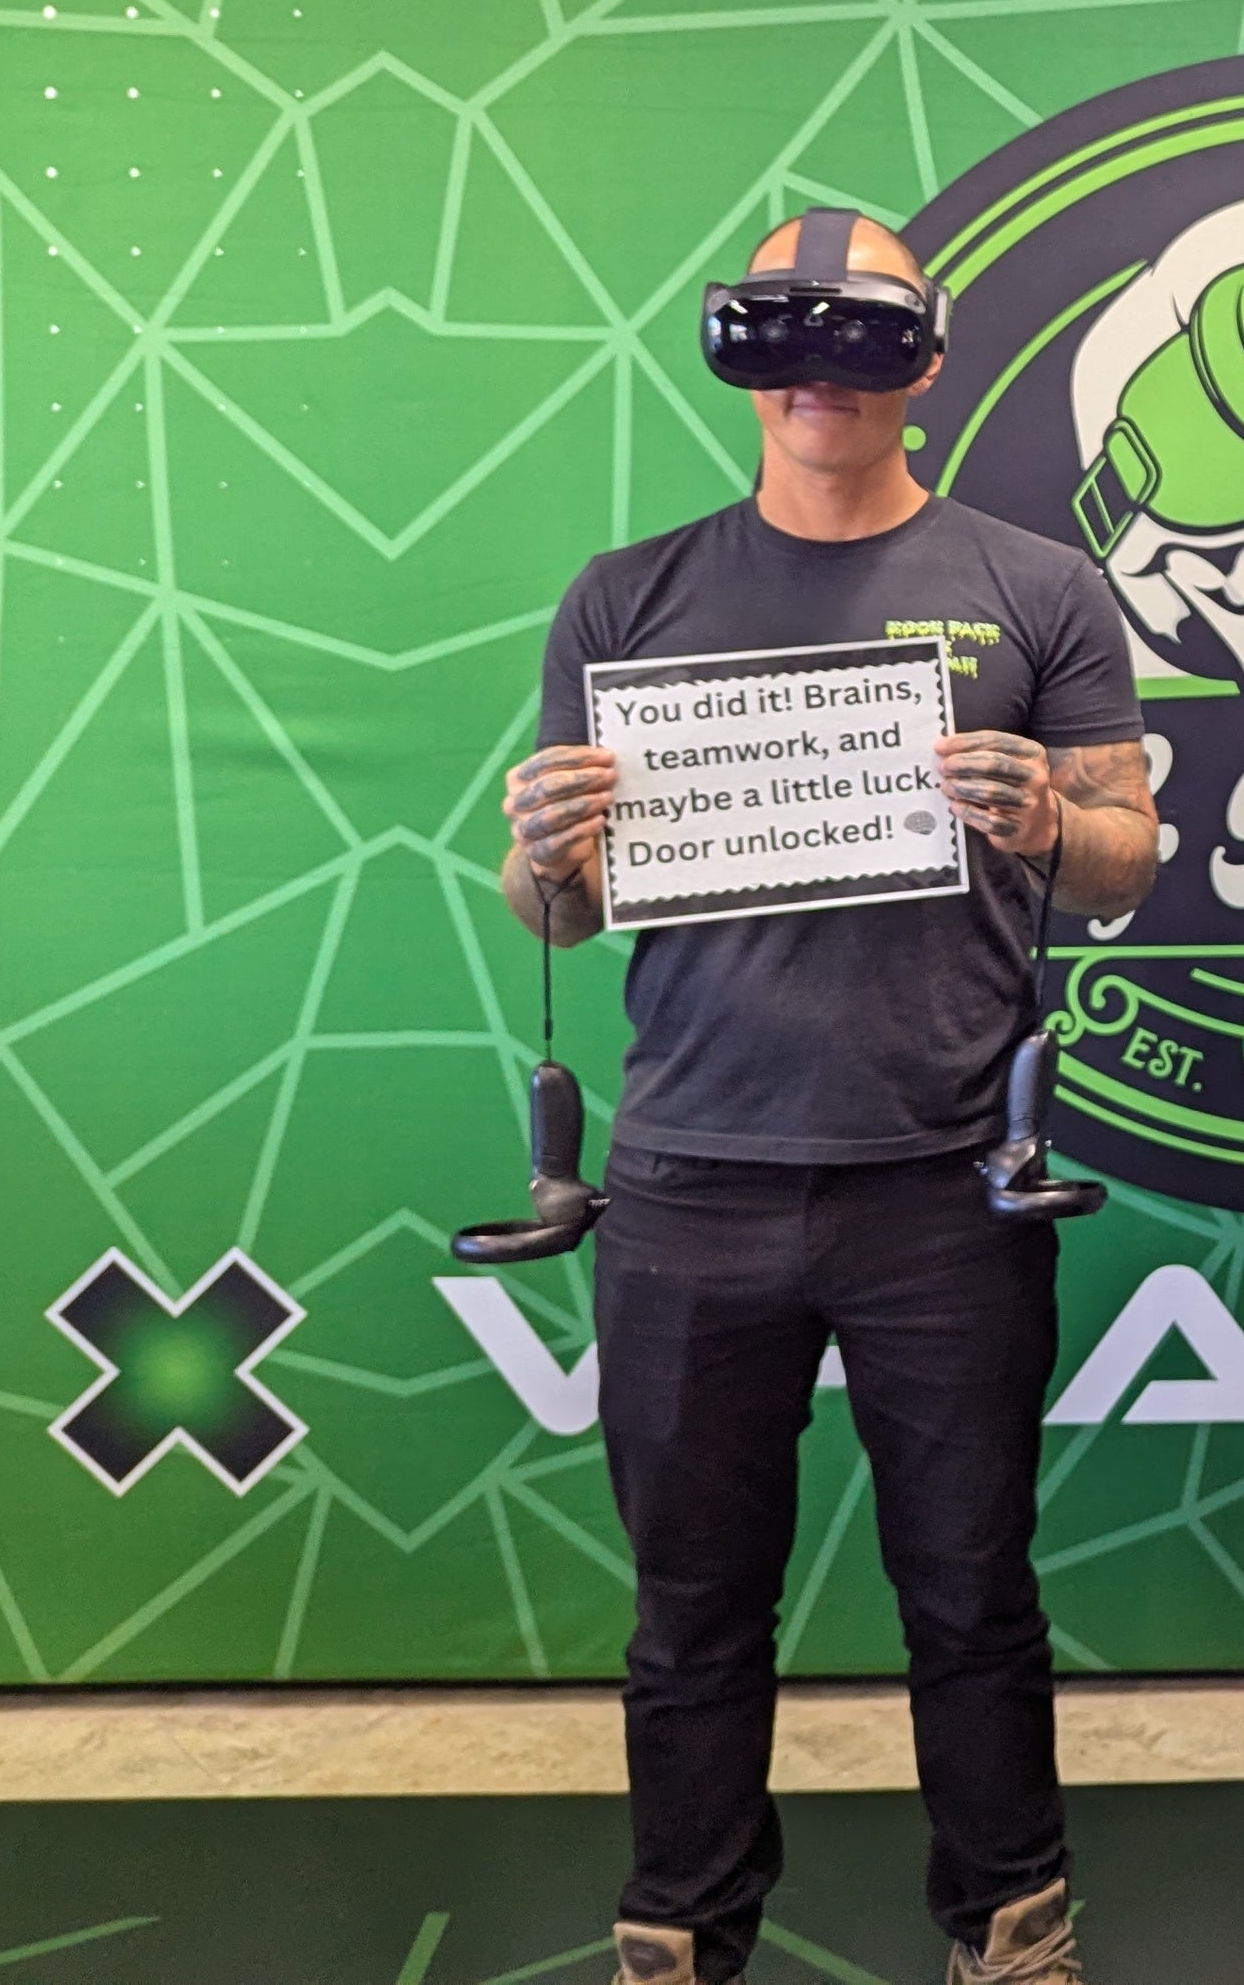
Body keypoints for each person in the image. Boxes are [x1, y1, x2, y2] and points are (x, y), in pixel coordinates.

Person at [497, 211, 1161, 1985]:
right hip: (689, 1177)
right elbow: (561, 907)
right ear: (742, 364)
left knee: (973, 1594)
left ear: (922, 365)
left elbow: (1127, 855)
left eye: (859, 341)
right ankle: (678, 1932)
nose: (818, 377)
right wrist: (537, 848)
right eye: (781, 339)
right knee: (690, 1609)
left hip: (948, 1179)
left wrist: (1049, 818)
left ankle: (1013, 1928)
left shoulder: (1037, 588)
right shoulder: (626, 598)